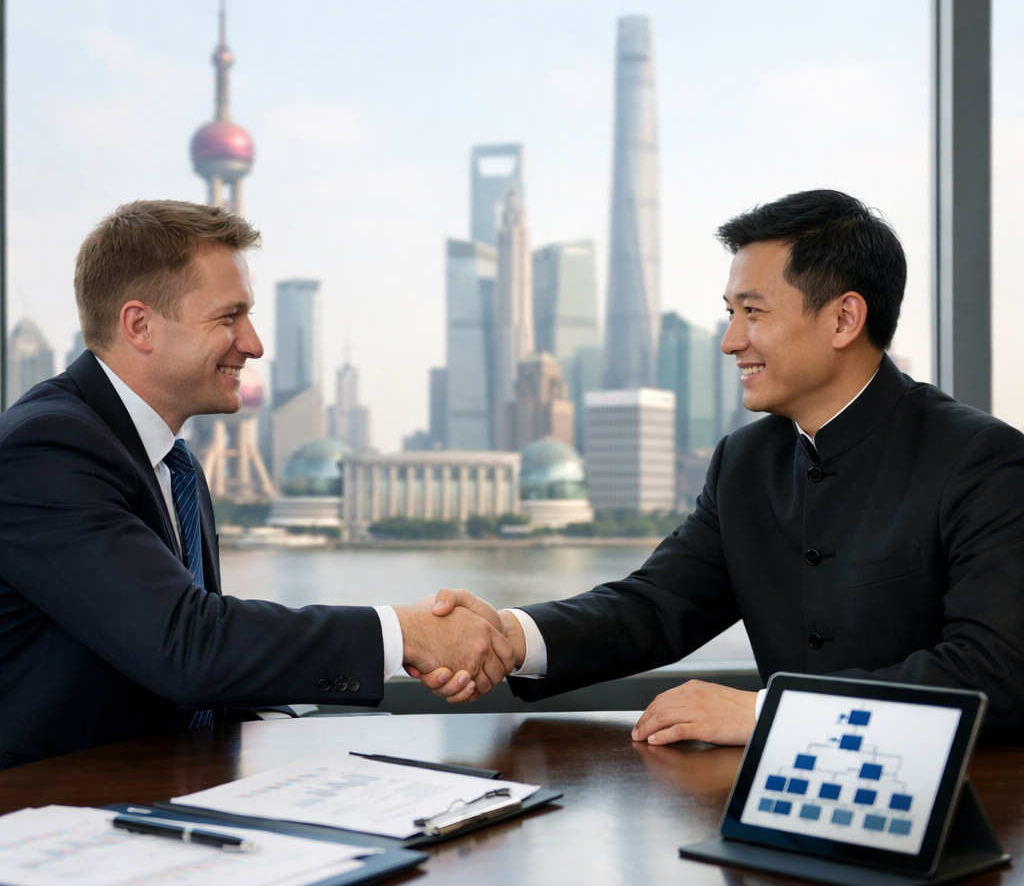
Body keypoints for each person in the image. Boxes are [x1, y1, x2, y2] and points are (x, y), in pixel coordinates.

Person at [429, 190, 1024, 746]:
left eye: (753, 312)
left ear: (844, 319)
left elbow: (993, 675)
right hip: (781, 810)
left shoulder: (982, 460)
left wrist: (768, 712)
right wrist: (509, 638)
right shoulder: (744, 462)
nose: (731, 340)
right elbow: (655, 605)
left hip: (964, 809)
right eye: (729, 312)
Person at [0, 201, 510, 767]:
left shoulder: (173, 463)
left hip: (163, 797)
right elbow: (187, 645)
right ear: (139, 325)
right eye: (228, 317)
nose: (254, 343)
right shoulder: (46, 450)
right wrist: (403, 633)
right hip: (51, 816)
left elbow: (195, 668)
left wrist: (296, 732)